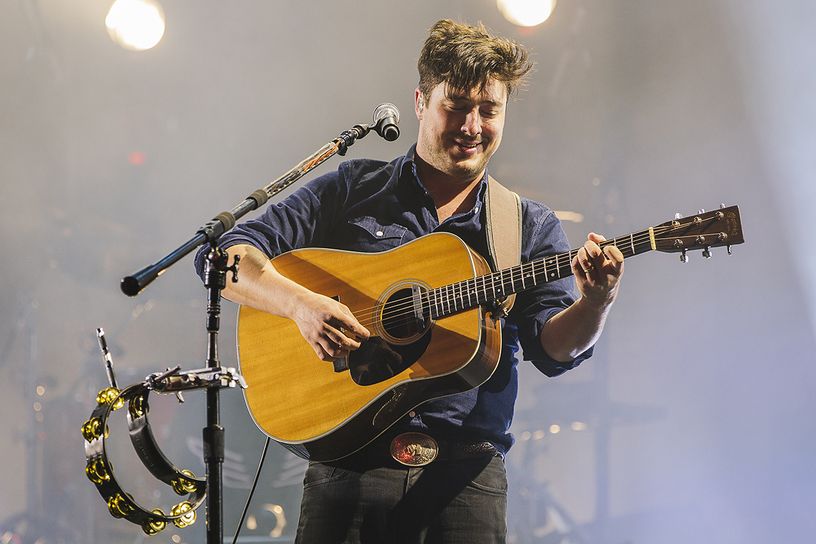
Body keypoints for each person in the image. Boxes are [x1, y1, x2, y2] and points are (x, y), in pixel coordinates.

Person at [195, 19, 624, 544]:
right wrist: (301, 305)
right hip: (347, 468)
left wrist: (596, 302)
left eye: (489, 110)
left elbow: (553, 350)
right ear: (421, 101)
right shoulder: (353, 188)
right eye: (457, 105)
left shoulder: (526, 226)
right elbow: (225, 258)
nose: (472, 125)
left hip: (465, 480)